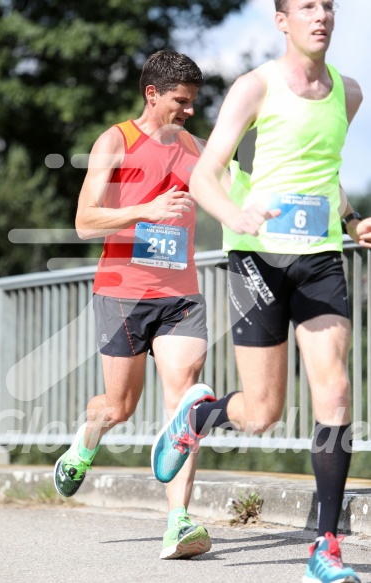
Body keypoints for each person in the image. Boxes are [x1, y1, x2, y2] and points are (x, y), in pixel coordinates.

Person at [151, 3, 371, 581]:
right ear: (281, 20)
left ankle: (324, 546)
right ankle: (200, 415)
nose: (319, 15)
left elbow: (322, 171)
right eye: (306, 7)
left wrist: (351, 221)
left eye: (328, 5)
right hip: (257, 256)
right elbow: (206, 175)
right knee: (262, 413)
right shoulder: (255, 88)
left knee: (336, 388)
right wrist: (237, 216)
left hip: (320, 256)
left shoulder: (348, 94)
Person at [53, 49, 213, 560]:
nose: (189, 110)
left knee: (184, 401)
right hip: (122, 292)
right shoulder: (115, 141)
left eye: (193, 102)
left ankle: (179, 521)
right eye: (180, 101)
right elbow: (84, 221)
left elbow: (241, 187)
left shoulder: (197, 148)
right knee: (119, 407)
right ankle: (86, 440)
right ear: (152, 94)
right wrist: (149, 208)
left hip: (179, 294)